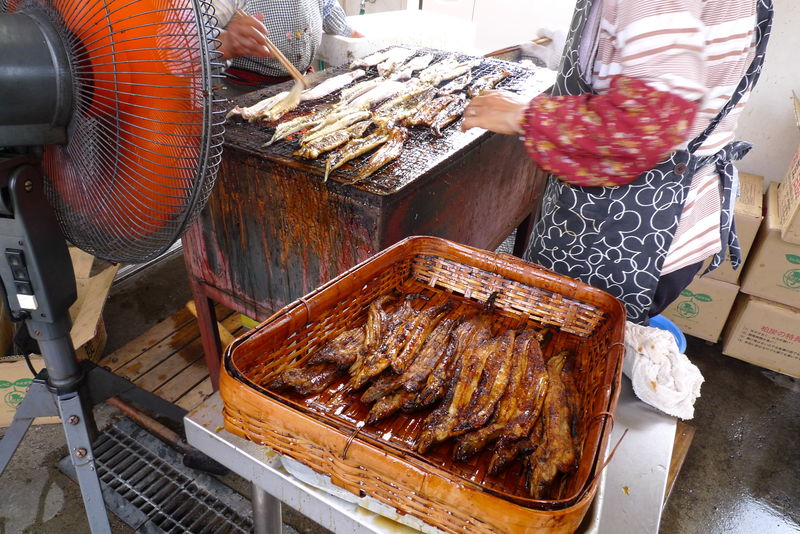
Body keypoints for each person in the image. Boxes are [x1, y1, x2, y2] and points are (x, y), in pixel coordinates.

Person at [462, 0, 773, 325]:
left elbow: (647, 125)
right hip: (675, 217)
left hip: (629, 236)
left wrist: (525, 116)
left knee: (557, 346)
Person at [213, 0, 363, 89]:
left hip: (301, 83)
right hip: (244, 88)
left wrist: (348, 32)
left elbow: (328, 7)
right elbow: (195, 35)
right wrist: (226, 43)